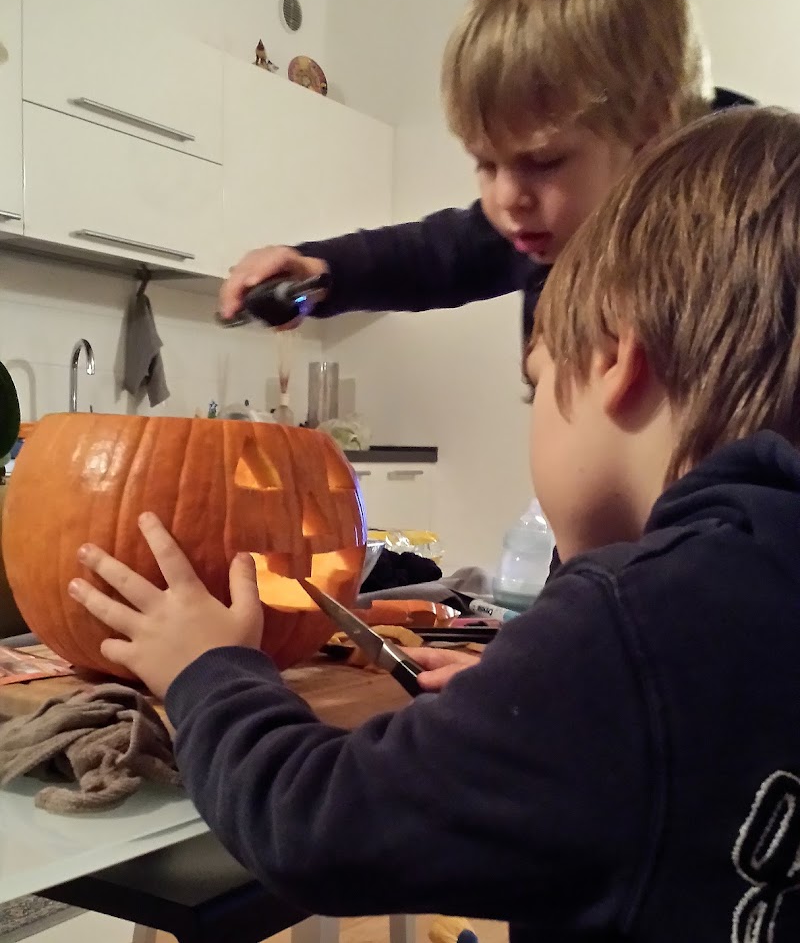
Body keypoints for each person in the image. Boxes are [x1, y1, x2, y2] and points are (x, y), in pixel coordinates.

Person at [71, 105, 800, 940]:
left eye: (537, 385)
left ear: (614, 362)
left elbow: (319, 826)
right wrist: (537, 705)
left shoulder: (634, 623)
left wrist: (209, 670)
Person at [218, 0, 753, 347]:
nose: (505, 198)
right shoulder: (561, 220)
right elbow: (438, 253)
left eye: (542, 162)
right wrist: (321, 270)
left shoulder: (754, 232)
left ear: (650, 131)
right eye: (485, 163)